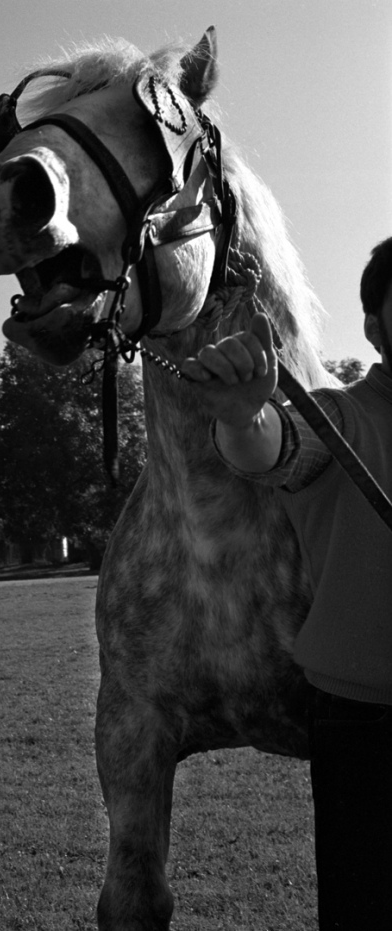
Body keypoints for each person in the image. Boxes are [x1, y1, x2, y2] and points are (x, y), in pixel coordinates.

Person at [181, 238, 392, 929]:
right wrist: (243, 417)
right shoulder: (342, 416)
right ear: (375, 327)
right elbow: (273, 448)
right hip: (368, 729)